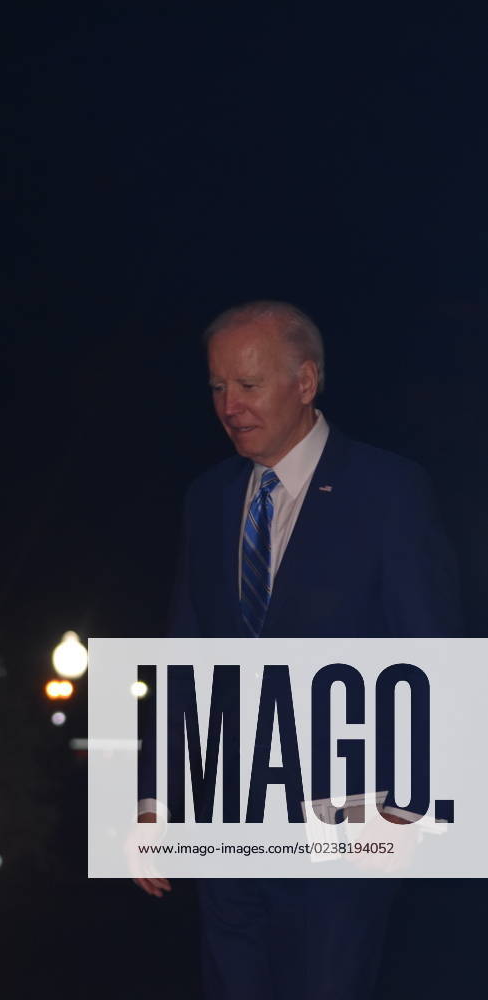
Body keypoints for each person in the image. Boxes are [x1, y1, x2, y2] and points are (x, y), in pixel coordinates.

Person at [134, 301, 461, 1000]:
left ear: (305, 382)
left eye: (248, 386)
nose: (229, 406)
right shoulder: (208, 497)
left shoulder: (388, 490)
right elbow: (186, 652)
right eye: (217, 388)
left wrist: (407, 809)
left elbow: (433, 654)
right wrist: (155, 799)